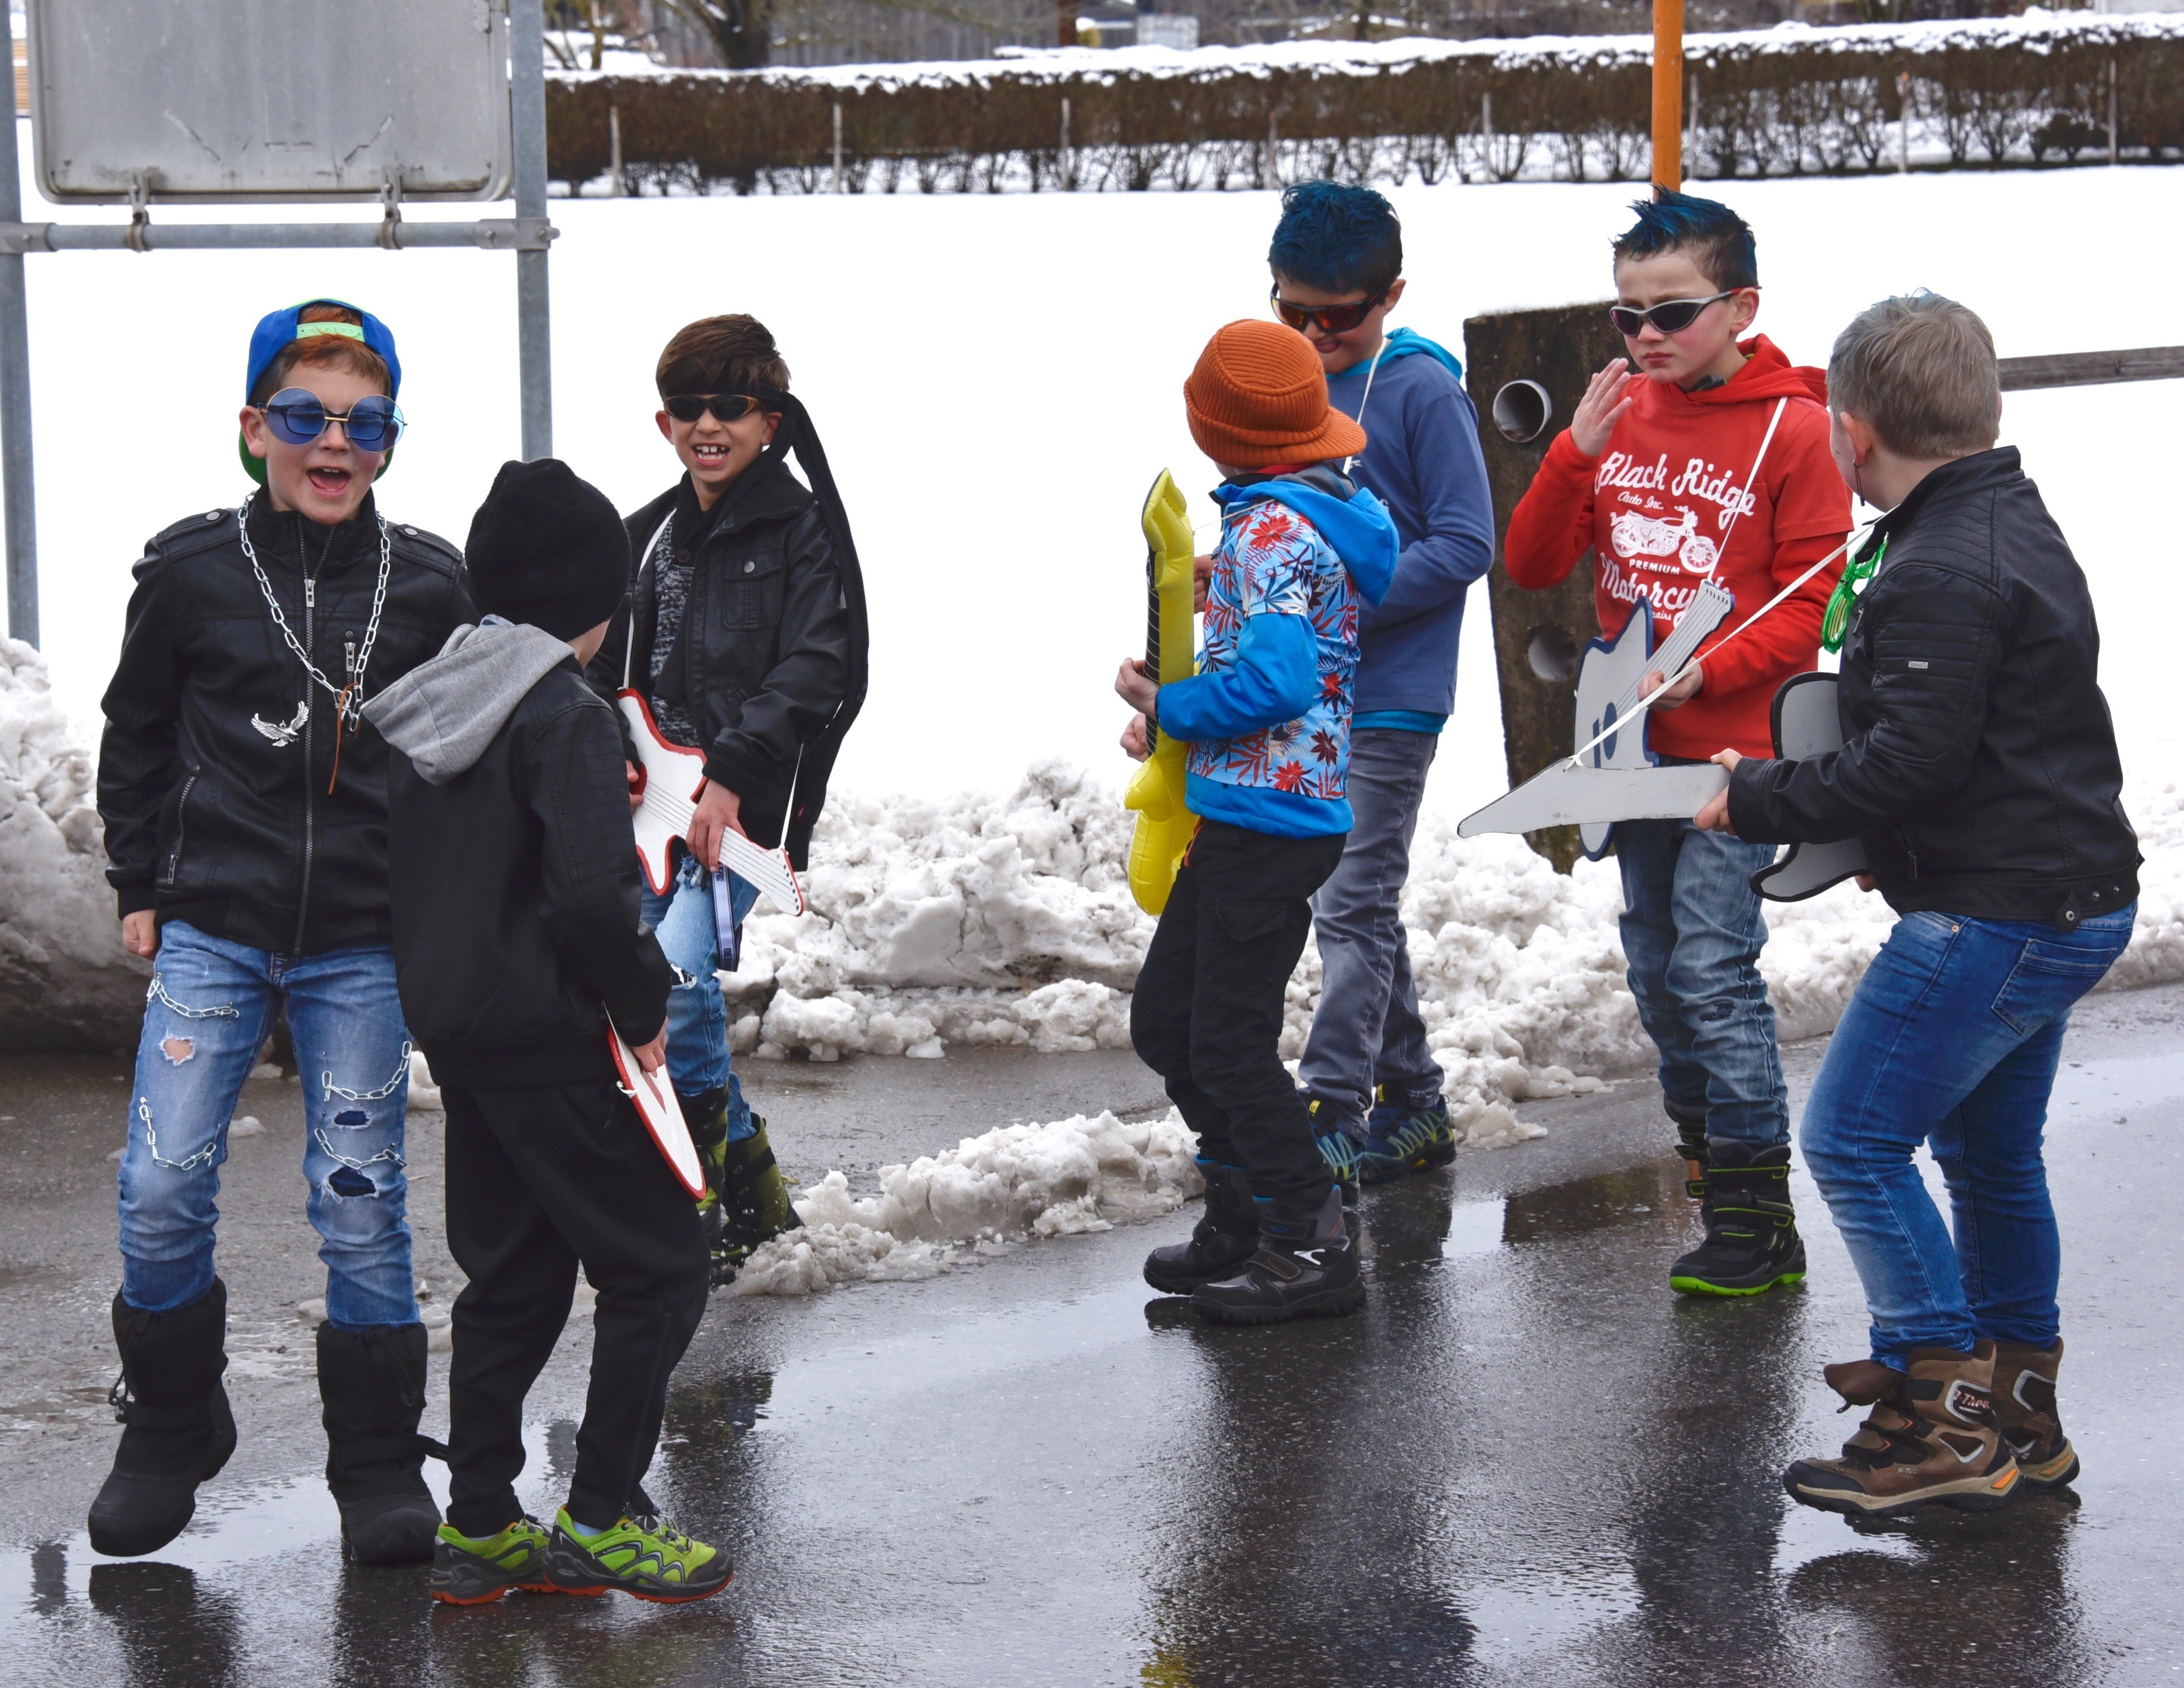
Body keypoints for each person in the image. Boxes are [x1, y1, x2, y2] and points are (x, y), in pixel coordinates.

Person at [1698, 292, 2140, 1516]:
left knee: (1851, 1139)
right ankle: (2018, 1414)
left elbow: (1912, 760)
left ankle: (1938, 1416)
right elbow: (1983, 738)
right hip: (2059, 895)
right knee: (1988, 1154)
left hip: (2001, 914)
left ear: (1851, 432)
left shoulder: (1941, 563)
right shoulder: (2002, 516)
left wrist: (1757, 796)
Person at [92, 299, 472, 1565]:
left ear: (391, 439)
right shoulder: (192, 571)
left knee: (361, 1201)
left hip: (362, 940)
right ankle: (171, 1423)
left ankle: (375, 1460)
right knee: (160, 1185)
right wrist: (140, 879)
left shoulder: (430, 584)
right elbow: (138, 729)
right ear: (256, 428)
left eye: (366, 422)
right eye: (306, 416)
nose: (335, 442)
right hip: (213, 926)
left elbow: (467, 756)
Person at [367, 457, 729, 1603]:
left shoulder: (434, 703)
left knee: (514, 1280)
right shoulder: (563, 713)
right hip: (559, 1038)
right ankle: (606, 1515)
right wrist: (640, 1002)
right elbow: (586, 896)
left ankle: (481, 1523)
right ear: (596, 600)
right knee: (662, 1266)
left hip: (467, 1041)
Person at [1501, 191, 1850, 1297]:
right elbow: (1530, 564)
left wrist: (1712, 668)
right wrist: (1574, 453)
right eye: (1628, 316)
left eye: (1672, 312)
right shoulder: (1622, 416)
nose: (1646, 335)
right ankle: (1708, 1160)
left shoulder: (1797, 430)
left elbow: (1813, 602)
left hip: (1741, 757)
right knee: (1655, 965)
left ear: (1741, 307)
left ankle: (1756, 1215)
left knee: (1711, 965)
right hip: (1630, 752)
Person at [1119, 319, 1398, 1325]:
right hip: (1247, 808)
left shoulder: (1273, 532)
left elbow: (1278, 681)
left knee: (1228, 1045)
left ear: (1214, 431)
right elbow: (1282, 643)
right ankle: (1241, 1213)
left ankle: (1308, 1242)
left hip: (1272, 821)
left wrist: (1169, 706)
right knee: (1168, 1025)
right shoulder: (1294, 515)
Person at [588, 314, 869, 1281]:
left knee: (673, 976)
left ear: (770, 422)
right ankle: (756, 1198)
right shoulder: (643, 535)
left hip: (740, 815)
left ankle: (697, 1202)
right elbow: (599, 665)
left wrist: (734, 776)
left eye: (730, 407)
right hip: (645, 809)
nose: (707, 425)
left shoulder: (803, 533)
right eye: (687, 407)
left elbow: (818, 665)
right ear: (662, 421)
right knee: (641, 979)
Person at [1264, 181, 1495, 1186]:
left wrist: (1342, 606)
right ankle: (1416, 1102)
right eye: (1294, 313)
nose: (1316, 336)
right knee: (1350, 900)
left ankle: (1332, 1108)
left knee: (1350, 898)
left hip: (1393, 694)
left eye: (1339, 318)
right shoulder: (1284, 383)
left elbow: (1467, 541)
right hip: (1301, 693)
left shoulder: (1421, 392)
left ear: (1390, 295)